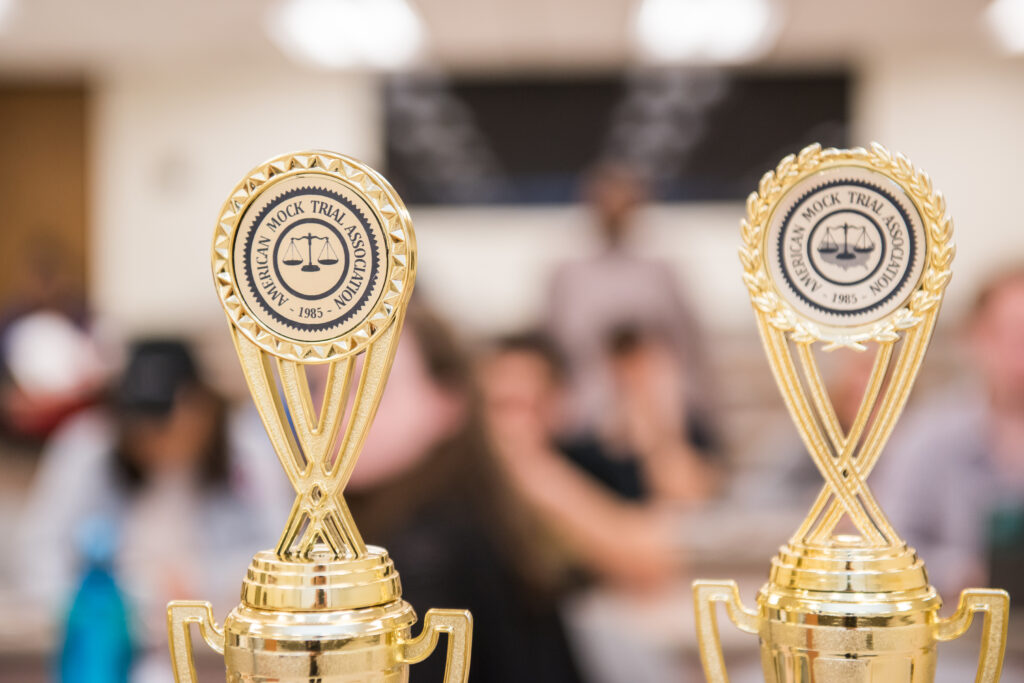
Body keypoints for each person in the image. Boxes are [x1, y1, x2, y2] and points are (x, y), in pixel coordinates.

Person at [15, 340, 283, 682]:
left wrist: (203, 581)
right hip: (114, 640)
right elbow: (38, 550)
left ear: (201, 406)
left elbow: (284, 552)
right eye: (139, 422)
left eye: (164, 420)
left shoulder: (248, 451)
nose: (150, 436)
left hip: (222, 642)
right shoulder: (89, 445)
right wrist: (106, 600)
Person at [346, 302, 584, 683]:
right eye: (318, 385)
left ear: (448, 401)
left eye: (366, 388)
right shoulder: (473, 512)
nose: (334, 412)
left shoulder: (432, 545)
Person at [873, 267, 1024, 599]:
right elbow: (891, 545)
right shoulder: (928, 437)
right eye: (1013, 334)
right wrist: (968, 573)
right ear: (978, 338)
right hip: (961, 631)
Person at [544, 163, 707, 434]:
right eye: (605, 200)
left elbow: (689, 348)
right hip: (584, 420)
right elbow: (552, 351)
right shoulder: (566, 277)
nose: (613, 210)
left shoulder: (661, 275)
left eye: (622, 201)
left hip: (657, 419)